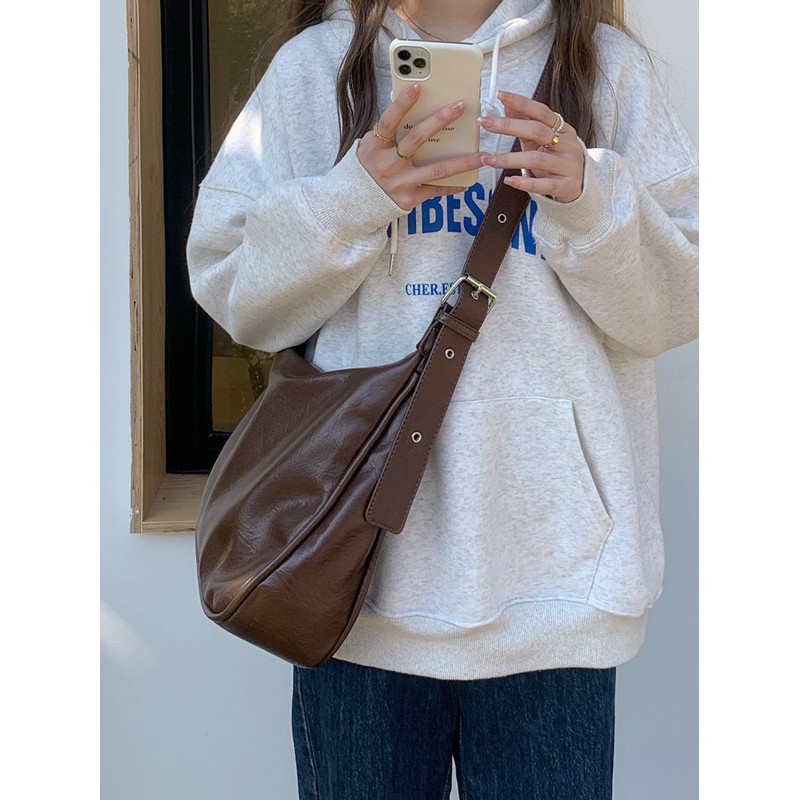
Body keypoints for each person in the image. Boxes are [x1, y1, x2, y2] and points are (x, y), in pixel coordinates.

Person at [185, 0, 698, 796]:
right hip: (352, 592)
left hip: (555, 599)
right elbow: (234, 292)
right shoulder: (315, 71)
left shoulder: (603, 67)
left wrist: (592, 201)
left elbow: (683, 305)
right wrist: (354, 196)